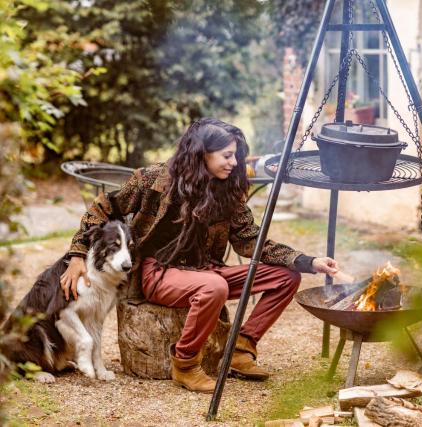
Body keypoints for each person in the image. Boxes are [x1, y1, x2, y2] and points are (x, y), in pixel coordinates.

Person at [60, 118, 339, 392]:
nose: (233, 163)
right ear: (202, 153)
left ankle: (241, 349)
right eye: (227, 156)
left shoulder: (228, 190)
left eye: (236, 157)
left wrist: (308, 262)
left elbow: (249, 239)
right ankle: (185, 364)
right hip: (160, 273)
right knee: (213, 287)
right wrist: (77, 254)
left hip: (208, 270)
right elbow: (101, 208)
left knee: (286, 277)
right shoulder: (152, 179)